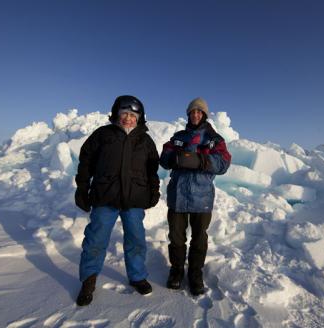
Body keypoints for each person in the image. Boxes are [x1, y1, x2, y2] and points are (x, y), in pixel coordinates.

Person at [74, 95, 160, 306]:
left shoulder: (145, 140)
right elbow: (85, 162)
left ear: (139, 118)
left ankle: (137, 276)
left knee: (136, 239)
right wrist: (82, 189)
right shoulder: (102, 135)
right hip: (105, 196)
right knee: (96, 238)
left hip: (134, 198)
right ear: (117, 114)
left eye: (133, 115)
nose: (129, 118)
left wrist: (153, 190)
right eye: (125, 114)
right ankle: (89, 279)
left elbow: (152, 170)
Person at [159, 97, 231, 295]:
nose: (195, 115)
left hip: (202, 198)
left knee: (199, 239)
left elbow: (223, 163)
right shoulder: (178, 137)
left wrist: (200, 160)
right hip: (178, 196)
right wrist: (174, 157)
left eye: (199, 112)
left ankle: (195, 273)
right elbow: (164, 158)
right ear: (188, 115)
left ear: (205, 115)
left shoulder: (214, 139)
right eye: (192, 112)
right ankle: (176, 271)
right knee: (176, 237)